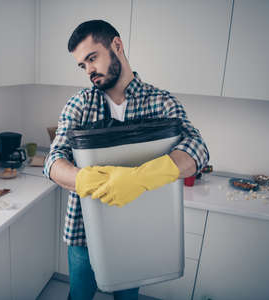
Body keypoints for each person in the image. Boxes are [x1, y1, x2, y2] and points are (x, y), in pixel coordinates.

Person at [44, 20, 209, 300]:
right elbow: (53, 161)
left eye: (92, 58)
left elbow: (198, 150)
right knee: (79, 296)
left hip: (136, 231)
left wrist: (140, 178)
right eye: (83, 65)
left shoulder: (161, 103)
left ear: (117, 45)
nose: (89, 71)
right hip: (83, 230)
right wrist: (81, 178)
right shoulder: (79, 104)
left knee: (127, 297)